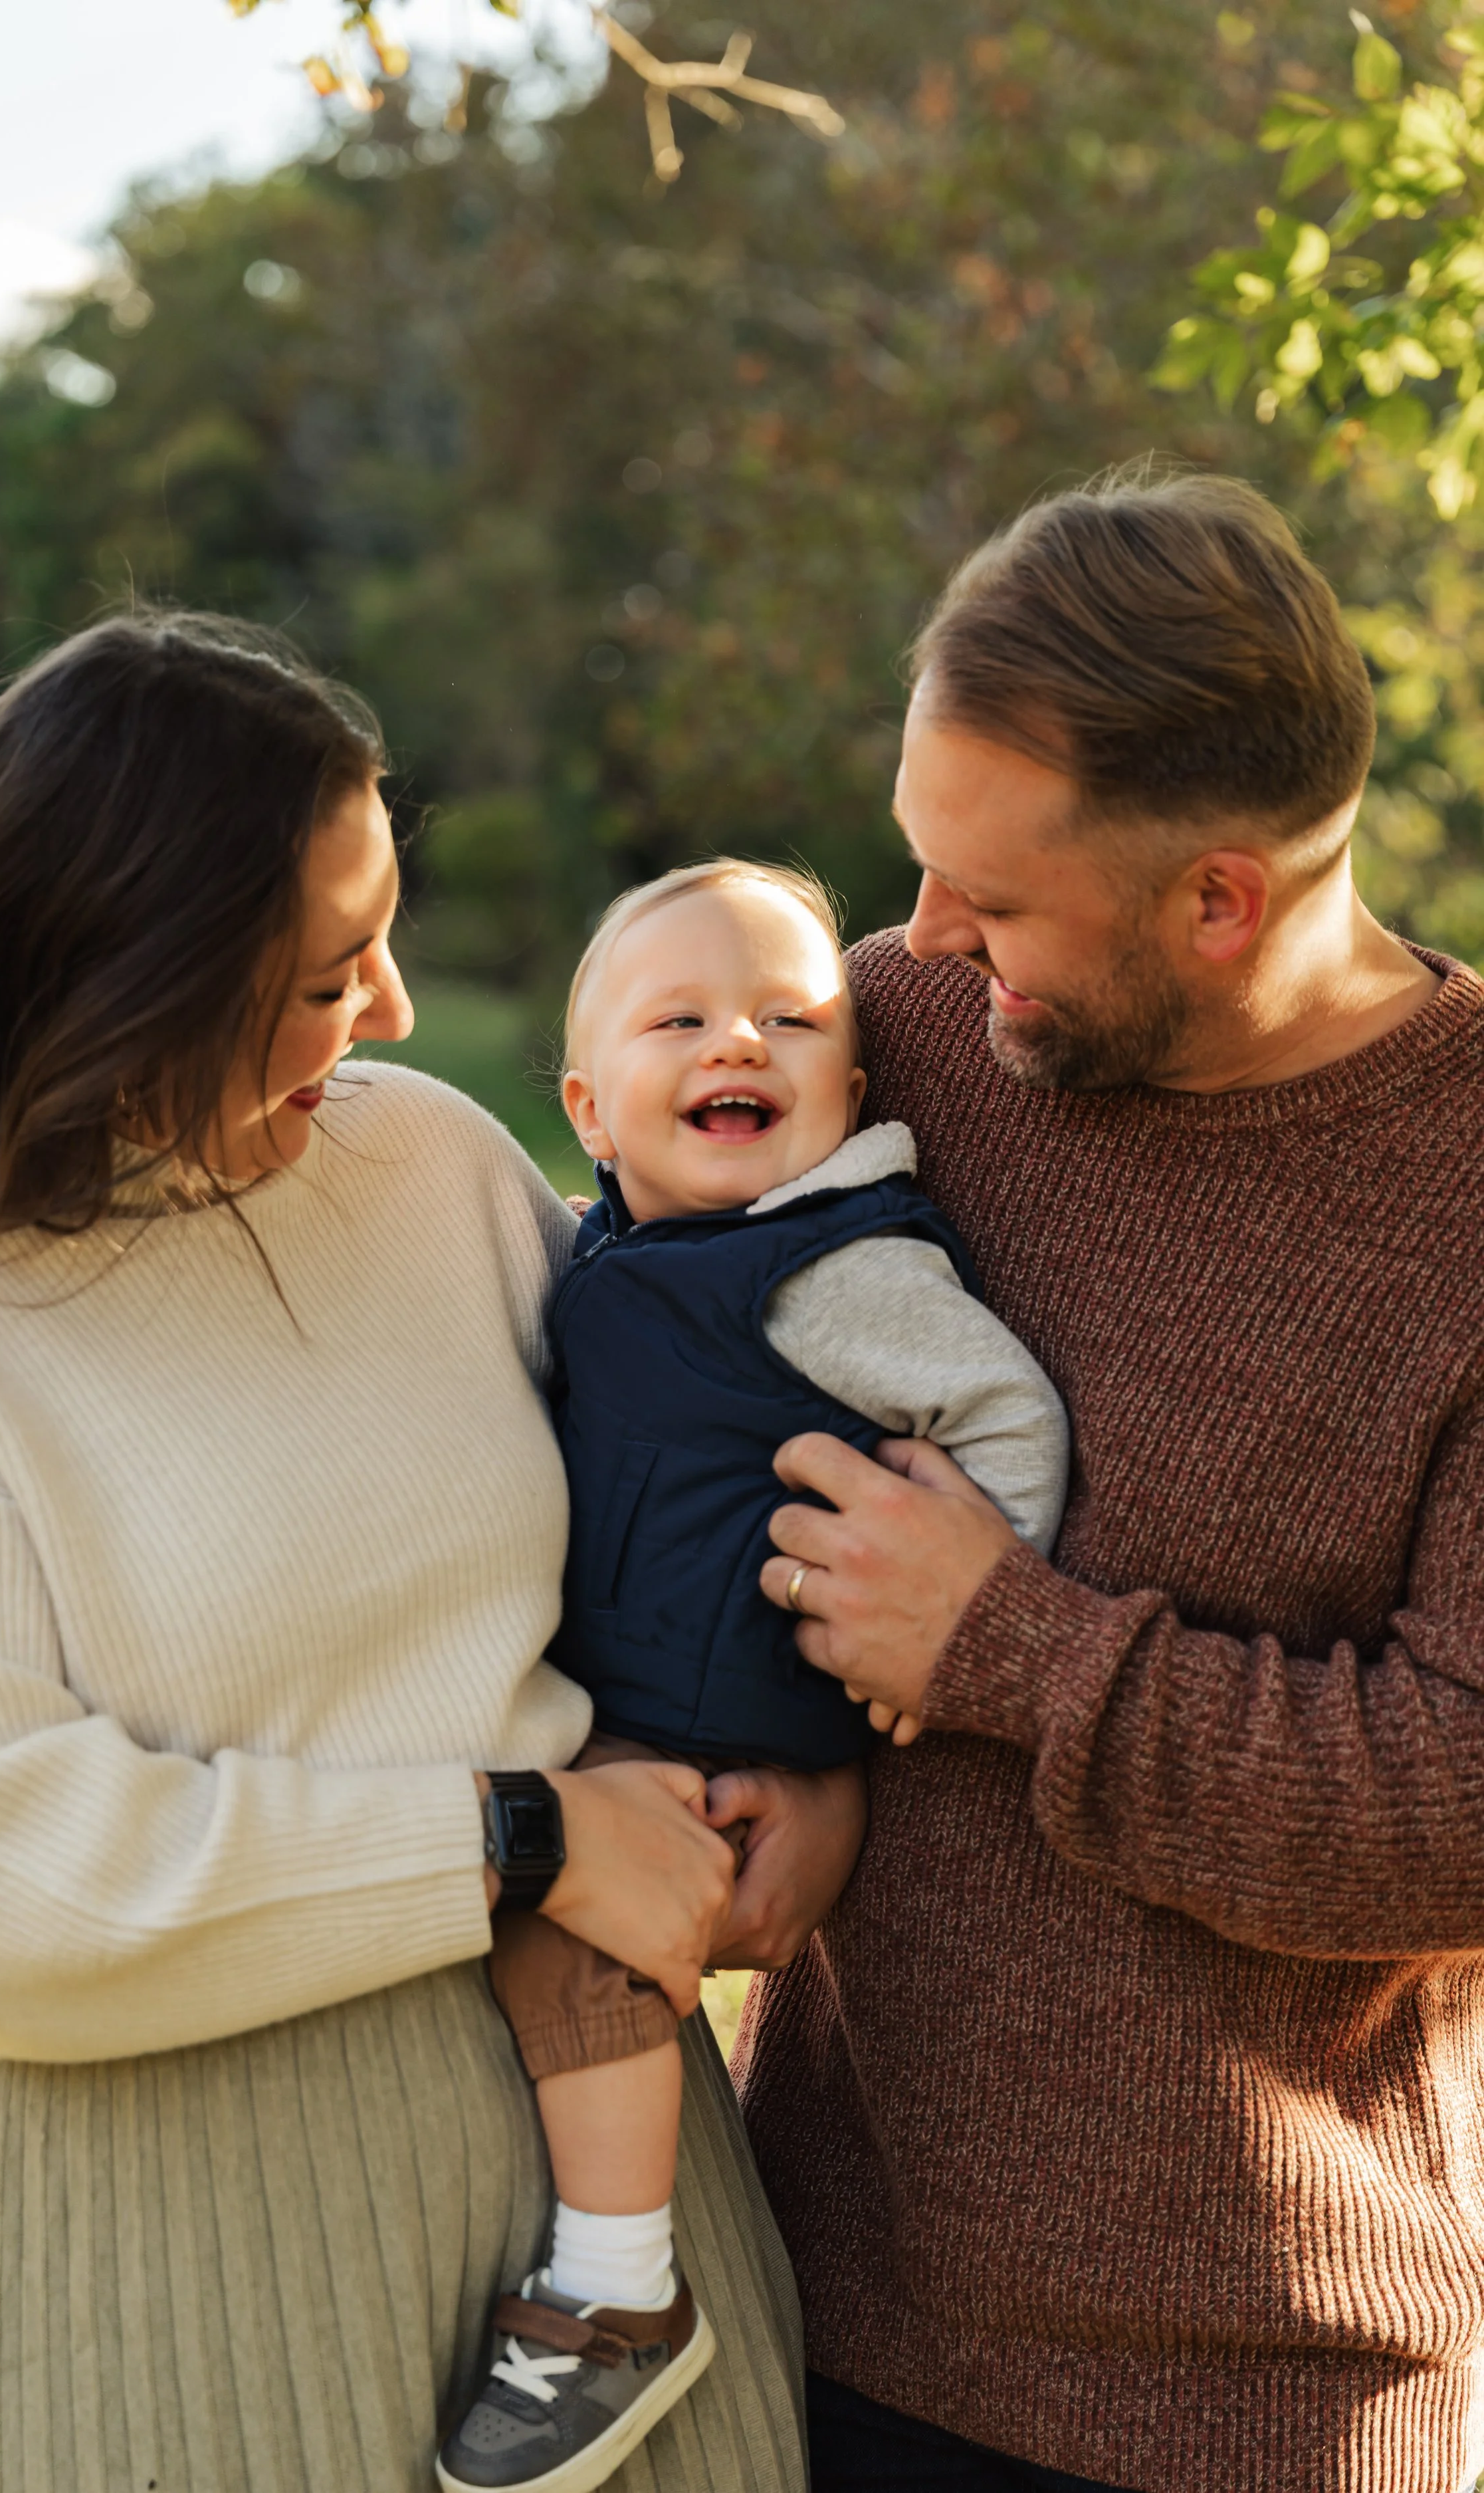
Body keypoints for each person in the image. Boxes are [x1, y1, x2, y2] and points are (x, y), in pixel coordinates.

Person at [0, 612, 834, 2493]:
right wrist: (517, 1827)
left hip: (591, 2250)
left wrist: (795, 1780)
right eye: (317, 974)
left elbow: (674, 1496)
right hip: (107, 2268)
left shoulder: (426, 1160)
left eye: (385, 935)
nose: (385, 1009)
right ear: (117, 981)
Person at [730, 467, 1484, 2493]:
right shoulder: (888, 1033)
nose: (916, 934)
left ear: (1217, 898)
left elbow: (1459, 1801)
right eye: (917, 860)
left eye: (989, 894)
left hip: (1258, 2390)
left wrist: (1007, 1646)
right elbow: (602, 1321)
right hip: (806, 2302)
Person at [439, 859, 1067, 2493]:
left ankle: (613, 2287)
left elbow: (999, 1409)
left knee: (577, 1951)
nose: (742, 1043)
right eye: (684, 1019)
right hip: (639, 1697)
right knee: (577, 1965)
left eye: (790, 1023)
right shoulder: (607, 1248)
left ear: (847, 1095)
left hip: (719, 1714)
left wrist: (959, 1621)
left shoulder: (827, 1263)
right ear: (589, 1104)